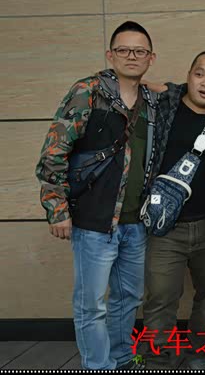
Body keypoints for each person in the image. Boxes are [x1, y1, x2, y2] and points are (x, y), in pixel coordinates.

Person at [36, 21, 158, 370]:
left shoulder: (151, 100)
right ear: (110, 55)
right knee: (92, 305)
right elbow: (54, 152)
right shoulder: (88, 91)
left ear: (150, 57)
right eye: (123, 50)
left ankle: (122, 359)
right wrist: (57, 208)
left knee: (128, 299)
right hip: (93, 221)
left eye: (139, 51)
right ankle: (98, 365)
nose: (131, 56)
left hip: (135, 222)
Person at [141, 50, 205, 369]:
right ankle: (157, 361)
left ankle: (203, 357)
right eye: (200, 74)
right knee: (160, 299)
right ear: (188, 76)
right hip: (165, 227)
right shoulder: (164, 107)